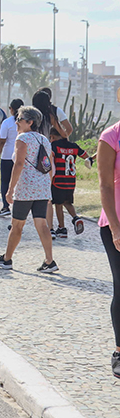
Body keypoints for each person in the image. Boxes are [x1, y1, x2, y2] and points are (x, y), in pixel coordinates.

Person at [0, 106, 56, 273]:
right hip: (42, 187)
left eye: (19, 119)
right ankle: (49, 260)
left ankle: (7, 259)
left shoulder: (23, 138)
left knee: (17, 224)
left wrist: (10, 189)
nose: (16, 122)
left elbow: (19, 164)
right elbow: (49, 166)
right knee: (42, 224)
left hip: (26, 187)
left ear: (30, 122)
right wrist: (47, 187)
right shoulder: (44, 139)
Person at [96, 118, 120, 377]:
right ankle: (119, 351)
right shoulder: (111, 136)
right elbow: (103, 184)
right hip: (116, 224)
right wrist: (115, 227)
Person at [49, 126, 92, 239]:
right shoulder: (74, 146)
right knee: (67, 202)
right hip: (71, 180)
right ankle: (76, 218)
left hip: (58, 180)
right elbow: (87, 157)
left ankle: (62, 228)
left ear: (52, 136)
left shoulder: (54, 146)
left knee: (58, 204)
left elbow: (49, 159)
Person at [0, 99, 23, 217]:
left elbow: (1, 141)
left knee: (5, 181)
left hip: (7, 156)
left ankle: (5, 206)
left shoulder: (7, 122)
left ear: (11, 109)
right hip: (21, 156)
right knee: (19, 181)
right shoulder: (26, 122)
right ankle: (18, 206)